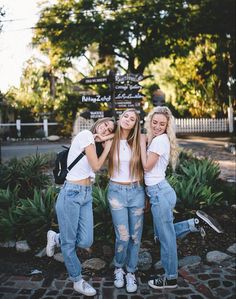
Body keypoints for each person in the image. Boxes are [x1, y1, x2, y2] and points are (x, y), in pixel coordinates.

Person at [140, 106, 223, 290]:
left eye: (162, 124)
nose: (157, 126)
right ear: (150, 121)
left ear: (167, 125)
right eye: (155, 122)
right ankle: (194, 224)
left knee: (166, 238)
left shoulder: (159, 141)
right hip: (159, 191)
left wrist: (140, 142)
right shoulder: (156, 140)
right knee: (160, 236)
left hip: (159, 193)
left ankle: (170, 277)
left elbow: (146, 166)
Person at [46, 117, 116, 297]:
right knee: (70, 244)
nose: (105, 130)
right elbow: (97, 165)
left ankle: (56, 237)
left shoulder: (93, 142)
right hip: (71, 194)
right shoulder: (86, 135)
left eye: (109, 130)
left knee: (86, 241)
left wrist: (104, 142)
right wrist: (107, 145)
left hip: (86, 194)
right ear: (98, 123)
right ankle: (77, 280)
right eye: (105, 125)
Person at [107, 108, 145, 293]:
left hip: (136, 191)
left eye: (132, 119)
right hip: (116, 192)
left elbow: (147, 168)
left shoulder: (139, 141)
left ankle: (131, 272)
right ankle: (118, 268)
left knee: (135, 237)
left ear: (135, 124)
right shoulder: (110, 139)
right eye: (126, 116)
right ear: (120, 118)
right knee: (122, 236)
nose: (128, 120)